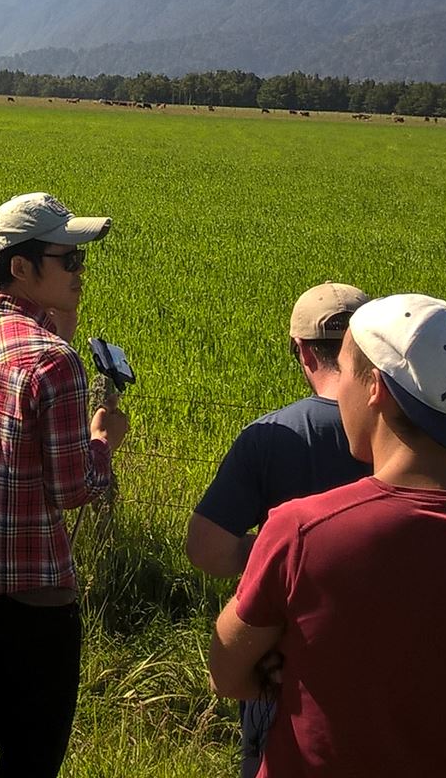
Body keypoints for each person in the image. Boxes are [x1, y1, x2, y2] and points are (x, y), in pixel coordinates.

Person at [210, 294, 446, 777]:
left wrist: (287, 668)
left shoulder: (304, 530)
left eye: (344, 371)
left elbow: (227, 671)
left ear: (375, 386)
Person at [0, 192, 128, 778]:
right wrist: (104, 441)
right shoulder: (54, 364)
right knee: (31, 756)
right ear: (22, 267)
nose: (80, 272)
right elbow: (71, 488)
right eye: (69, 260)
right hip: (32, 597)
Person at [185, 281, 369, 778]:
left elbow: (207, 548)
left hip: (283, 667)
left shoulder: (273, 436)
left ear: (301, 350)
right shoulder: (420, 437)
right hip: (393, 671)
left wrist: (277, 553)